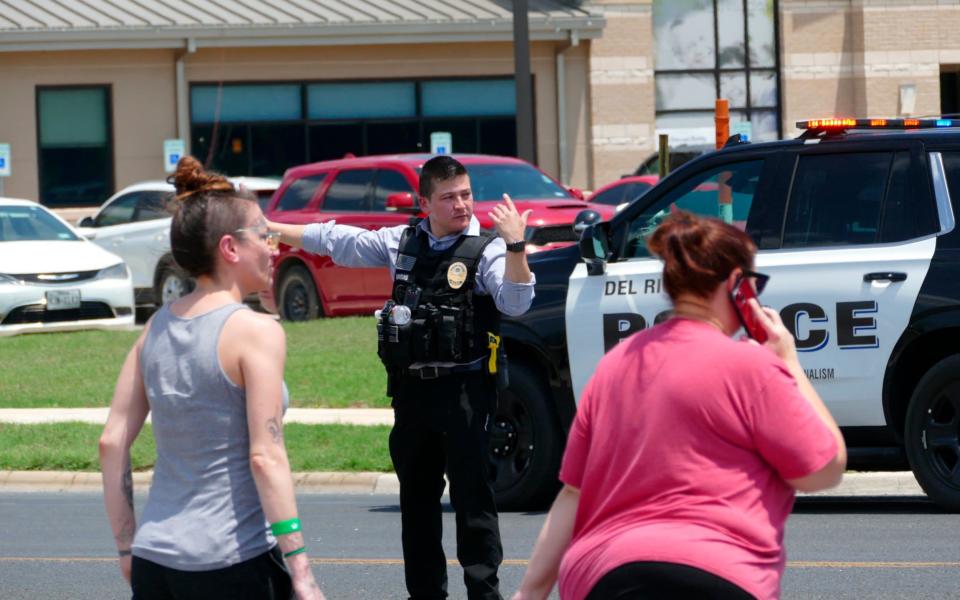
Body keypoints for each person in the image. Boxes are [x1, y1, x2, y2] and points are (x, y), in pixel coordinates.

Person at [512, 211, 847, 600]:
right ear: (738, 286)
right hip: (718, 570)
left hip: (606, 573)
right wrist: (788, 362)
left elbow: (573, 494)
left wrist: (528, 593)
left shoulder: (615, 366)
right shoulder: (752, 367)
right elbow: (823, 470)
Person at [268, 155, 536, 599]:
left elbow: (515, 303)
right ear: (424, 201)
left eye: (466, 195)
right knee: (417, 505)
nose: (461, 205)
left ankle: (484, 594)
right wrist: (273, 229)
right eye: (449, 197)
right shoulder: (403, 242)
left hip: (466, 393)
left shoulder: (488, 249)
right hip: (412, 395)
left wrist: (515, 247)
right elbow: (337, 240)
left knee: (474, 505)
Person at [99, 156, 324, 600]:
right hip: (231, 560)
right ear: (230, 248)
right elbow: (266, 456)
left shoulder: (155, 328)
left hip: (153, 560)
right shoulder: (255, 332)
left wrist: (126, 548)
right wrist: (301, 571)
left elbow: (111, 442)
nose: (273, 245)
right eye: (264, 234)